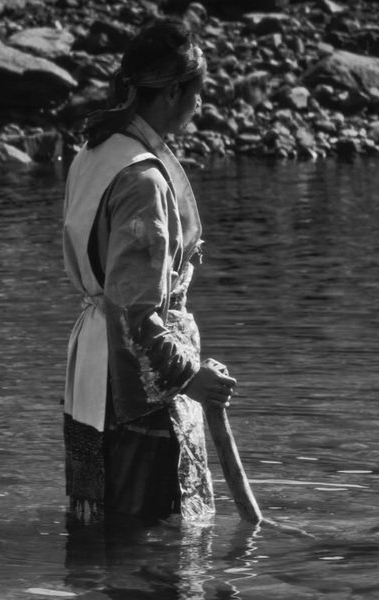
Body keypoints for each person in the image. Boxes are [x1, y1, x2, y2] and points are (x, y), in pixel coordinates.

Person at [60, 19, 238, 529]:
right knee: (152, 535)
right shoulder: (141, 178)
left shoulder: (94, 151)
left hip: (92, 371)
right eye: (197, 92)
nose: (200, 105)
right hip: (133, 381)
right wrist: (190, 376)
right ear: (171, 93)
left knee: (100, 529)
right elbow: (135, 310)